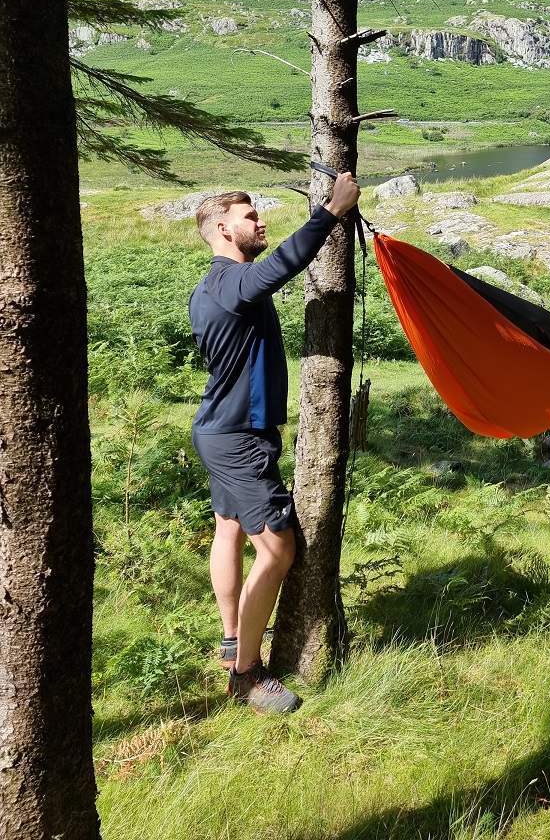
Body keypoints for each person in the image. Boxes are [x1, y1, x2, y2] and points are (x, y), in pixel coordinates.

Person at [189, 174, 360, 714]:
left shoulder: (209, 289)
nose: (260, 221)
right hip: (238, 437)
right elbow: (282, 265)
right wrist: (331, 212)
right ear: (221, 229)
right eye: (248, 215)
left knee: (229, 528)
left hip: (221, 430)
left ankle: (230, 637)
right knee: (279, 548)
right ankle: (246, 675)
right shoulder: (229, 282)